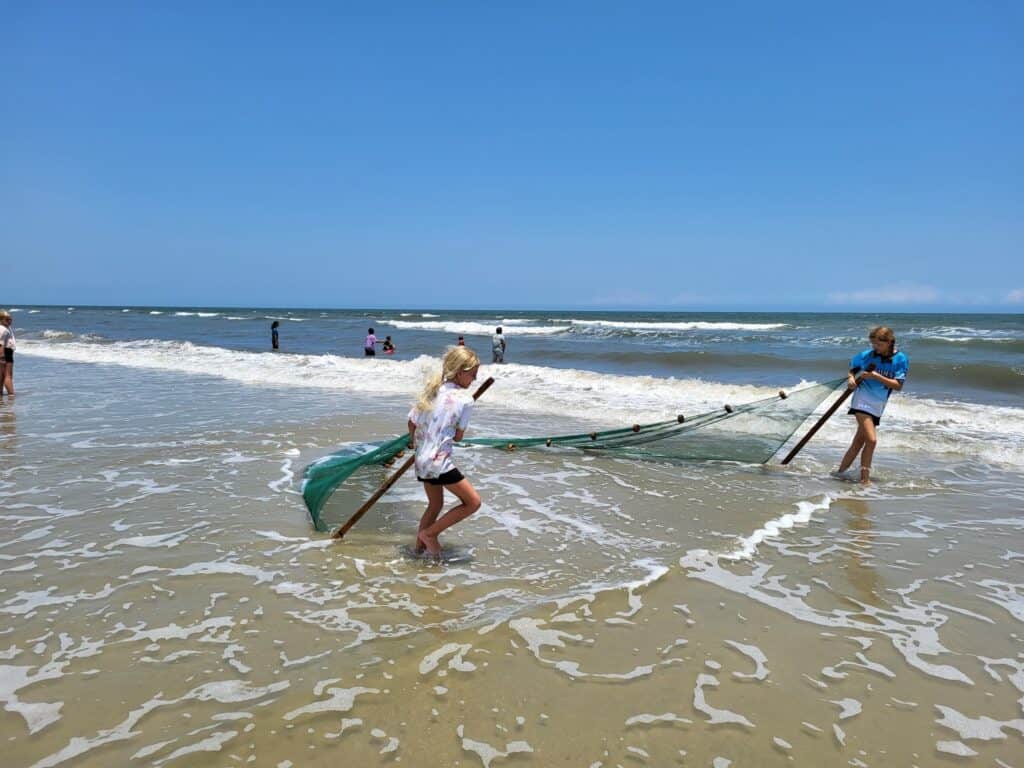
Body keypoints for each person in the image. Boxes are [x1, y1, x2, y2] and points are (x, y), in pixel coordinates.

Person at [407, 346, 482, 556]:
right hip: (440, 463)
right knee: (473, 502)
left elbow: (412, 423)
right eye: (472, 375)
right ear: (460, 372)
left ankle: (419, 552)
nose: (474, 380)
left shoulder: (431, 392)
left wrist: (416, 444)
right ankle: (430, 535)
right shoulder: (467, 400)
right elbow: (458, 437)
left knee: (435, 504)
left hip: (421, 461)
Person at [835, 326, 908, 484]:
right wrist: (851, 379)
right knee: (872, 440)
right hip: (861, 400)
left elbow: (898, 385)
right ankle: (865, 480)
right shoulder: (866, 356)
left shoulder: (900, 359)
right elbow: (852, 370)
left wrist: (876, 376)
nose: (875, 348)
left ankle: (839, 473)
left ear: (889, 342)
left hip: (878, 404)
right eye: (873, 344)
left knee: (858, 442)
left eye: (879, 345)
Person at [0, 310, 15, 397]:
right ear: (1, 320)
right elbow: (0, 343)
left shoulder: (5, 328)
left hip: (5, 351)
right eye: (7, 319)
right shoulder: (3, 329)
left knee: (2, 375)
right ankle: (11, 394)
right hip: (5, 352)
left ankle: (1, 393)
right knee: (8, 375)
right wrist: (2, 356)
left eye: (11, 319)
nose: (10, 321)